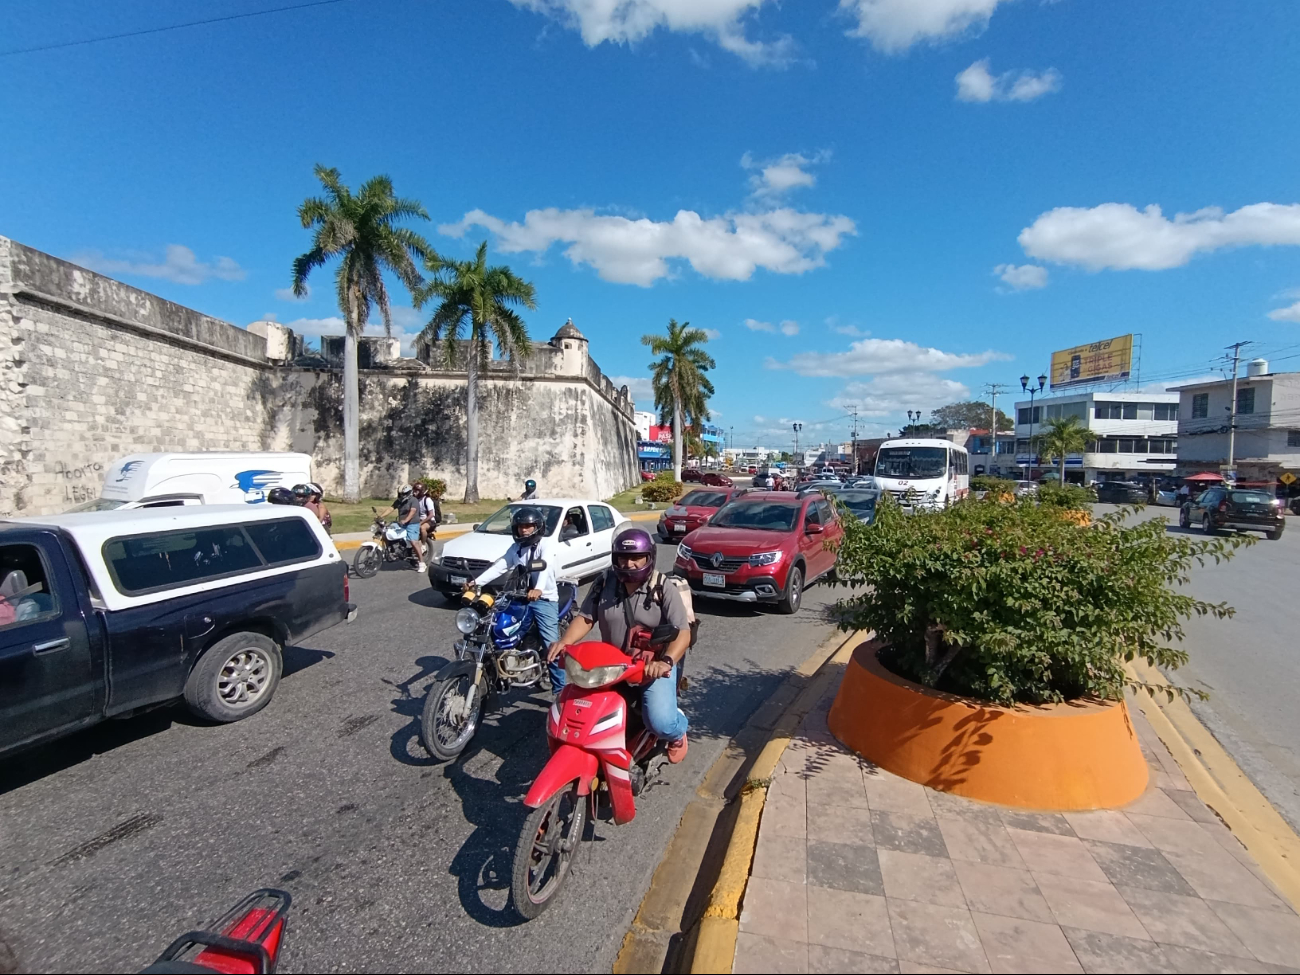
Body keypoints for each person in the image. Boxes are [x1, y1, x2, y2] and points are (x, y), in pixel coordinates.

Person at [546, 528, 690, 763]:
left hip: (651, 667)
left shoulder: (663, 587)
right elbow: (586, 617)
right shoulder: (604, 582)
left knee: (660, 722)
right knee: (580, 708)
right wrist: (565, 642)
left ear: (649, 557)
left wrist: (665, 662)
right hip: (612, 665)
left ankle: (678, 730)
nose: (630, 563)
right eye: (623, 557)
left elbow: (682, 633)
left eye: (636, 557)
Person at [466, 507, 562, 679]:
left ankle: (560, 690)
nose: (524, 529)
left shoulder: (546, 545)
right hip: (519, 597)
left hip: (544, 599)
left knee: (552, 646)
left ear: (537, 527)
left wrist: (539, 588)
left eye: (528, 526)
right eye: (520, 526)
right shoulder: (516, 548)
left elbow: (544, 566)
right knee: (495, 626)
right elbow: (501, 565)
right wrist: (476, 582)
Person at [392, 484, 426, 572]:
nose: (402, 495)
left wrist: (406, 520)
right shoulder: (399, 501)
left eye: (404, 494)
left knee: (413, 542)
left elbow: (412, 512)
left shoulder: (413, 500)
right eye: (400, 494)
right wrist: (380, 516)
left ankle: (422, 563)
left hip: (412, 523)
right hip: (402, 523)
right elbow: (390, 508)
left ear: (409, 493)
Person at [413, 482, 440, 548]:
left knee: (422, 528)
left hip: (430, 521)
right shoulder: (416, 500)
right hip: (420, 520)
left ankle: (423, 545)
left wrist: (421, 523)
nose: (415, 492)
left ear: (421, 491)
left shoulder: (427, 500)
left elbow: (431, 515)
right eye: (414, 490)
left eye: (417, 491)